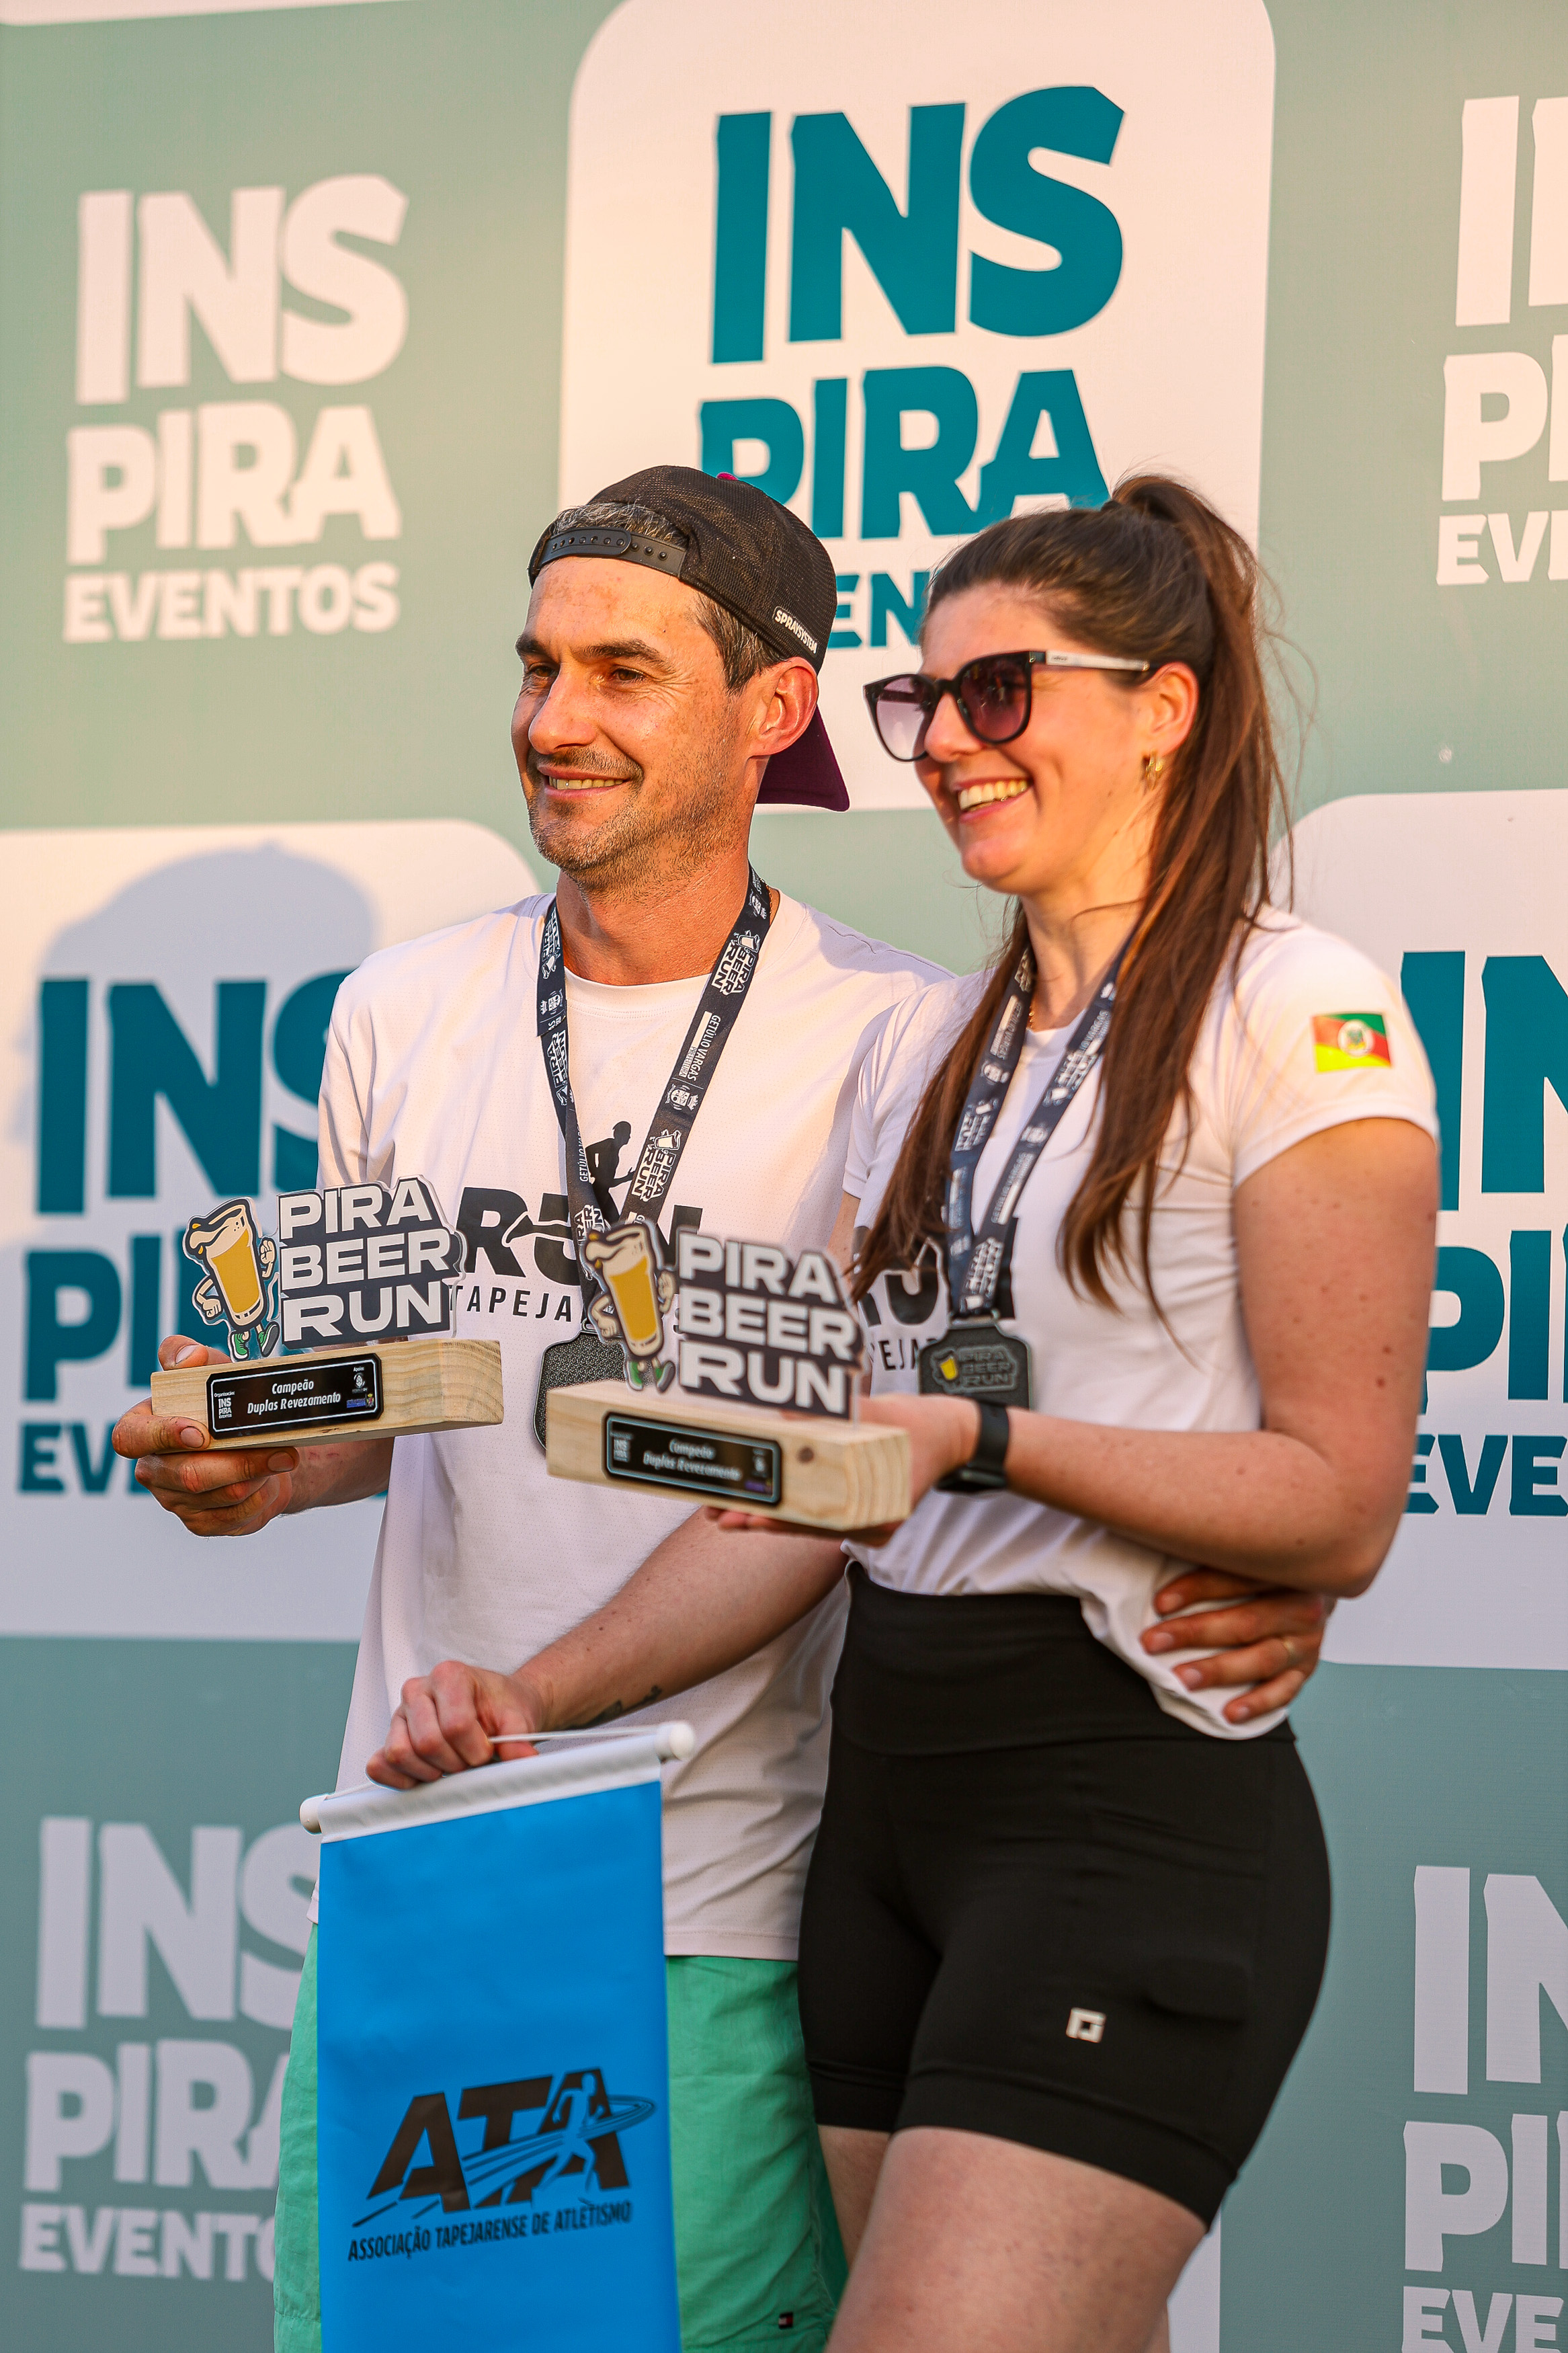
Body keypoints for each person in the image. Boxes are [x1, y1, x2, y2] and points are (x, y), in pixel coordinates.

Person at [113, 468, 1331, 2353]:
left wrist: (1272, 1562)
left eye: (622, 672)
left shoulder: (901, 1038)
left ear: (774, 709)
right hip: (424, 1871)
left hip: (725, 1890)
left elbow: (945, 1438)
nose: (554, 720)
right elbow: (394, 1400)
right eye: (537, 667)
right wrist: (252, 1459)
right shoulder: (396, 1011)